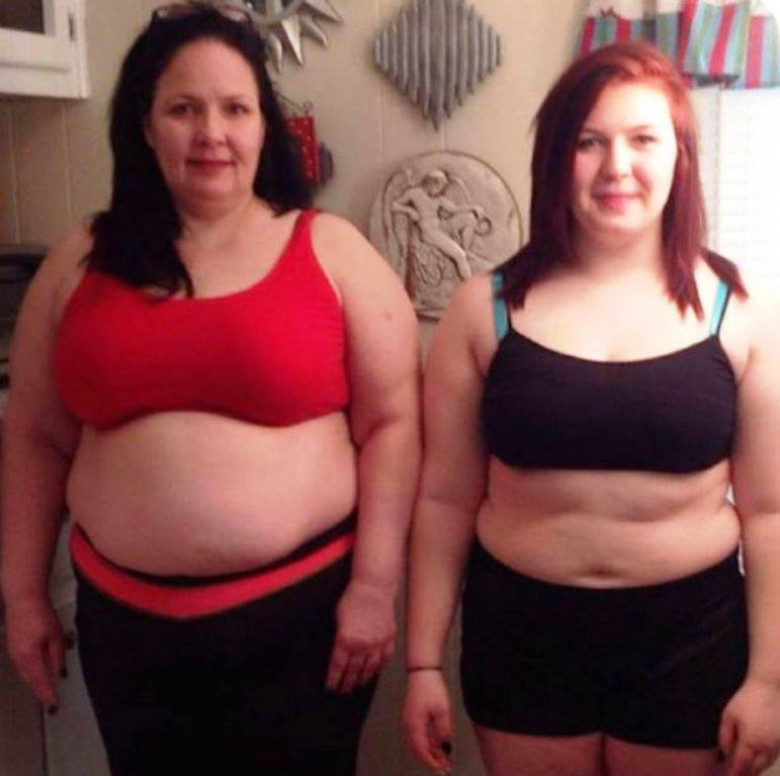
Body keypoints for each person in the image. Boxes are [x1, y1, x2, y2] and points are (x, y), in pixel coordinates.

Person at [0, 5, 420, 775]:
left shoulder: (331, 250)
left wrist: (374, 586)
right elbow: (34, 434)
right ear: (145, 126)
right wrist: (22, 595)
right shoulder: (79, 259)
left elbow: (395, 424)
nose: (211, 133)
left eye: (235, 109)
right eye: (183, 109)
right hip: (128, 635)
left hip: (303, 627)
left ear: (264, 125)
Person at [402, 40, 780, 776]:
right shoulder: (481, 311)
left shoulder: (741, 311)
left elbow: (768, 514)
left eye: (643, 140)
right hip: (522, 637)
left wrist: (767, 679)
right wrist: (421, 663)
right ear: (555, 159)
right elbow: (444, 499)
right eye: (589, 142)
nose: (616, 167)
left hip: (691, 642)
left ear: (681, 158)